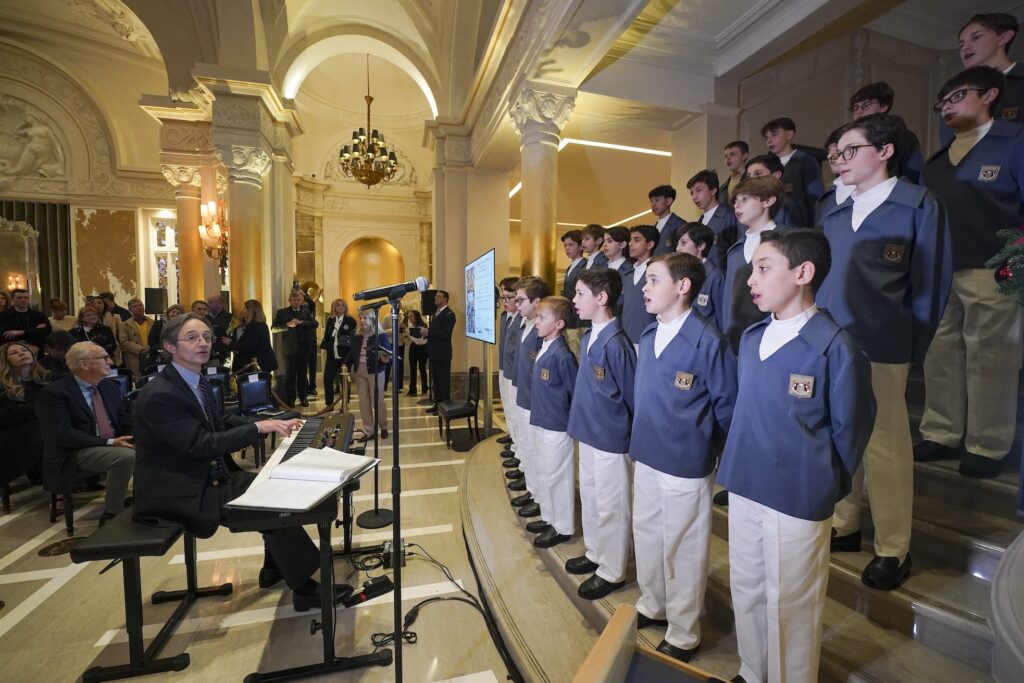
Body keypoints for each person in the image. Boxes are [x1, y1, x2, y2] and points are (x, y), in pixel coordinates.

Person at [718, 229, 875, 683]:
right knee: (746, 587)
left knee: (792, 602)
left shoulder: (835, 346)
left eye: (764, 268)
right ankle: (753, 671)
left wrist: (822, 482)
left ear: (803, 273)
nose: (751, 279)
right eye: (752, 269)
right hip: (746, 481)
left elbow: (851, 430)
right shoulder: (750, 339)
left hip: (798, 492)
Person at [817, 114, 952, 590]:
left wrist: (910, 346)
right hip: (831, 342)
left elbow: (930, 288)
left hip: (883, 343)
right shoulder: (831, 211)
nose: (839, 161)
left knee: (885, 447)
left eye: (850, 151)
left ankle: (894, 548)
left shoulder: (916, 205)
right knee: (838, 435)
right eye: (837, 154)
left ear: (885, 151)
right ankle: (844, 523)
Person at [131, 314, 332, 611]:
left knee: (270, 483)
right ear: (170, 347)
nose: (203, 343)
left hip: (203, 476)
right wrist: (256, 430)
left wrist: (271, 421)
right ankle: (303, 588)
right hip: (178, 490)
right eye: (192, 338)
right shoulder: (160, 395)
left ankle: (275, 567)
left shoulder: (195, 379)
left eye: (207, 337)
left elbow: (220, 420)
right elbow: (199, 445)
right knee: (272, 499)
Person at [630, 252, 737, 663]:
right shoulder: (647, 335)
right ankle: (654, 602)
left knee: (683, 545)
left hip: (686, 460)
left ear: (682, 286)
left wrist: (723, 461)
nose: (644, 287)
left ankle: (684, 628)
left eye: (653, 280)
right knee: (648, 533)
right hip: (648, 453)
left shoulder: (708, 341)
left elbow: (727, 406)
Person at [918, 66, 1024, 479]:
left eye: (957, 96)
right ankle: (942, 431)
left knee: (991, 358)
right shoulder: (938, 160)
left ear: (990, 95)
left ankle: (987, 443)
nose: (947, 106)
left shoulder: (1014, 142)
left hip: (995, 267)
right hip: (942, 270)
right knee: (939, 354)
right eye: (941, 102)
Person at [567, 268, 636, 601]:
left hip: (610, 437)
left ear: (602, 298)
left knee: (611, 504)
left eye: (580, 294)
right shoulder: (589, 334)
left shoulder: (617, 343)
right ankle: (595, 551)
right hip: (589, 431)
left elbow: (631, 396)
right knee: (592, 495)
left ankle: (612, 569)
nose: (574, 300)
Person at [35, 342, 136, 525]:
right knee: (126, 457)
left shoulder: (108, 386)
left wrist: (144, 436)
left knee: (154, 445)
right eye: (104, 358)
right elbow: (63, 434)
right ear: (84, 364)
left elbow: (125, 422)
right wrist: (109, 442)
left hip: (112, 443)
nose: (111, 362)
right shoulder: (54, 393)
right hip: (75, 451)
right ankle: (112, 515)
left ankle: (147, 501)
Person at [525, 296, 578, 549]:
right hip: (542, 420)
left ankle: (563, 526)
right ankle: (549, 517)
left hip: (557, 425)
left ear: (558, 324)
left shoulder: (563, 355)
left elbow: (573, 391)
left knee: (558, 476)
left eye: (542, 317)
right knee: (546, 471)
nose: (537, 321)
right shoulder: (545, 345)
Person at [721, 175, 785, 352]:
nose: (737, 205)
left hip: (773, 336)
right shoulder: (735, 250)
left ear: (768, 201)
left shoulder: (786, 241)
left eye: (745, 199)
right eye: (735, 201)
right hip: (736, 338)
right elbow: (728, 300)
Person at [939, 14, 1023, 145]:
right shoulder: (953, 98)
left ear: (1003, 38)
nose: (965, 48)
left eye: (976, 37)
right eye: (961, 45)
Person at [507, 276, 548, 505]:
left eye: (521, 300)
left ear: (537, 301)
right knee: (526, 443)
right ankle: (532, 489)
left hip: (534, 400)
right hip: (522, 393)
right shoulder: (526, 324)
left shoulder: (540, 330)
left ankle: (538, 496)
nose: (517, 304)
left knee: (536, 449)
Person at [848, 82, 924, 183]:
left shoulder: (904, 136)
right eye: (855, 107)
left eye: (866, 105)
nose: (859, 112)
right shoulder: (849, 139)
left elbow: (914, 173)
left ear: (884, 106)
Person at [0, 342, 50, 487]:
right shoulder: (3, 386)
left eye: (24, 350)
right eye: (13, 353)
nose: (22, 353)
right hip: (12, 432)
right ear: (5, 360)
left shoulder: (46, 379)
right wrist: (37, 410)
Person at [761, 117, 824, 225]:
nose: (769, 141)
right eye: (766, 138)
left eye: (774, 135)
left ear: (789, 134)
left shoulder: (805, 161)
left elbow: (815, 199)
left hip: (797, 226)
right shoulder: (766, 165)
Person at [346, 313, 391, 438]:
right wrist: (345, 364)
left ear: (372, 319)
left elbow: (388, 355)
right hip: (360, 373)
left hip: (375, 372)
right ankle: (369, 430)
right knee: (363, 401)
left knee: (377, 400)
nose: (362, 320)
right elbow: (352, 353)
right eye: (360, 317)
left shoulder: (381, 336)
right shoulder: (355, 335)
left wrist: (383, 357)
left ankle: (383, 427)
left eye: (365, 317)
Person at [272, 290, 318, 408]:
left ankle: (303, 398)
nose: (296, 302)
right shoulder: (282, 313)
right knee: (290, 376)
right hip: (289, 349)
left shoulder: (306, 311)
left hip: (304, 348)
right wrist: (287, 325)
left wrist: (301, 322)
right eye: (294, 300)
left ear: (301, 301)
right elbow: (274, 329)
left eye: (298, 300)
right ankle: (291, 399)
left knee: (303, 375)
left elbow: (314, 324)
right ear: (289, 301)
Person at [687, 169, 739, 270]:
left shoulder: (729, 216)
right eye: (691, 193)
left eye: (698, 190)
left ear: (713, 190)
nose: (694, 197)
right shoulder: (700, 222)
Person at [676, 222, 724, 329]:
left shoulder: (714, 276)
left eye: (683, 243)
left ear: (701, 246)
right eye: (678, 243)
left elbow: (722, 317)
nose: (678, 248)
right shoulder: (678, 273)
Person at [620, 225, 659, 347]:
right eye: (630, 240)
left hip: (649, 336)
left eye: (636, 240)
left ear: (650, 244)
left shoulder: (658, 272)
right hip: (626, 336)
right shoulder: (627, 273)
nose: (630, 244)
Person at [320, 299, 357, 405]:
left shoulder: (350, 321)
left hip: (345, 356)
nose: (340, 307)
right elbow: (327, 336)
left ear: (345, 308)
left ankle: (345, 404)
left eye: (342, 305)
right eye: (338, 305)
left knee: (344, 381)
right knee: (327, 379)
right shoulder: (331, 320)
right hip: (332, 355)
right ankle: (329, 404)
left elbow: (354, 338)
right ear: (334, 307)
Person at [225, 299, 277, 374]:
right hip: (263, 363)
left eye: (245, 308)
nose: (242, 310)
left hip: (255, 364)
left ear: (250, 311)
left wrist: (233, 344)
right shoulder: (263, 325)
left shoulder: (253, 326)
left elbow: (250, 346)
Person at [425, 290, 455, 414]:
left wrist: (429, 332)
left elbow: (446, 334)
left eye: (439, 297)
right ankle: (437, 404)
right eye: (435, 297)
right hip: (433, 352)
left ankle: (445, 407)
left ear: (445, 299)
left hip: (443, 353)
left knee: (443, 382)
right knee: (435, 382)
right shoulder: (434, 313)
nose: (435, 299)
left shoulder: (449, 314)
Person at [561, 230, 587, 356]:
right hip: (569, 316)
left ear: (581, 246)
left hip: (579, 319)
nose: (567, 248)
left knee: (578, 354)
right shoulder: (569, 268)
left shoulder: (585, 265)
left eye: (571, 245)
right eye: (565, 245)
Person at [118, 298, 153, 379]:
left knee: (151, 377)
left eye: (140, 305)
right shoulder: (124, 325)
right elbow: (124, 342)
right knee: (137, 379)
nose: (138, 307)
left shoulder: (153, 322)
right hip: (134, 356)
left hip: (150, 355)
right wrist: (141, 350)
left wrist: (149, 349)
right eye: (135, 306)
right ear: (130, 310)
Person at [147, 304, 186, 371]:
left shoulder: (184, 327)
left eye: (178, 313)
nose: (175, 314)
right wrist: (162, 351)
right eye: (173, 312)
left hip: (177, 357)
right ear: (168, 313)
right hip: (159, 356)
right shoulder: (158, 324)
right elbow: (151, 341)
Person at [649, 185, 685, 254]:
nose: (653, 204)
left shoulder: (680, 224)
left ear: (668, 201)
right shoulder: (653, 228)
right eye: (651, 201)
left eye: (657, 200)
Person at [405, 310, 429, 397]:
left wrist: (411, 337)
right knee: (412, 369)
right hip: (414, 348)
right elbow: (413, 339)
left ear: (416, 317)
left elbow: (423, 340)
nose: (410, 318)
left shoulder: (424, 326)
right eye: (409, 316)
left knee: (422, 368)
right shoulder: (410, 327)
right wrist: (408, 336)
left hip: (422, 348)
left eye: (411, 316)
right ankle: (412, 390)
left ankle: (424, 389)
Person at [720, 140, 750, 207]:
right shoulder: (722, 189)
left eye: (732, 154)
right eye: (725, 156)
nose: (728, 158)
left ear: (744, 156)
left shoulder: (752, 182)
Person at [206, 294, 233, 366]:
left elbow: (231, 334)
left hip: (224, 354)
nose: (207, 304)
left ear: (219, 304)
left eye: (210, 302)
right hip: (208, 354)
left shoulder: (229, 318)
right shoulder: (205, 318)